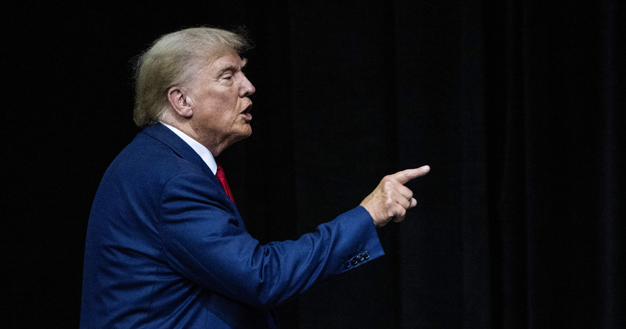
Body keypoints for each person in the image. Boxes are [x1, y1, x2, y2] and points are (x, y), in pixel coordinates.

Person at [79, 27, 429, 328]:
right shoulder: (171, 178)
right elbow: (262, 278)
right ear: (181, 100)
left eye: (243, 73)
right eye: (228, 76)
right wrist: (367, 215)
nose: (248, 87)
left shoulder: (162, 161)